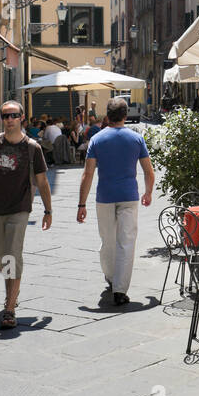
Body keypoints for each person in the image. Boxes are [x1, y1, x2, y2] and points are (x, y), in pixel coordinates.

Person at [0, 101, 53, 329]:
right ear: (1, 119)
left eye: (14, 115)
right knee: (1, 257)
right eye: (6, 116)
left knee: (12, 255)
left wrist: (48, 210)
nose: (10, 119)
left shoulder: (32, 147)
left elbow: (42, 182)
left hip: (20, 208)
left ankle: (10, 308)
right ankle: (11, 293)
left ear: (22, 118)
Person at [77, 97, 155, 306]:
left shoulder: (97, 140)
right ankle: (120, 290)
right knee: (126, 243)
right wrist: (148, 192)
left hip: (105, 197)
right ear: (125, 116)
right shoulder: (136, 138)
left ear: (107, 116)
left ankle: (112, 278)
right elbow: (149, 171)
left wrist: (81, 204)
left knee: (108, 241)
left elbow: (88, 174)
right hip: (129, 196)